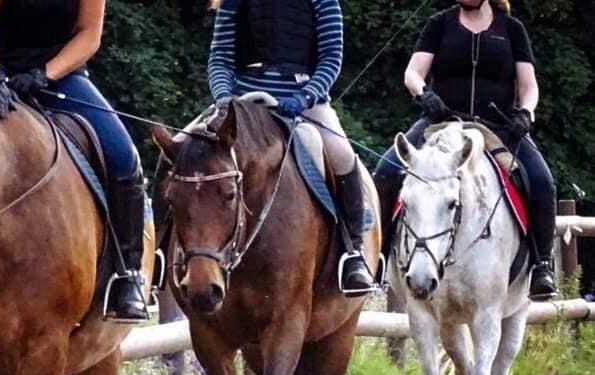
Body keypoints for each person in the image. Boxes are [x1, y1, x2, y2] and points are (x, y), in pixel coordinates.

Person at [0, 0, 149, 321]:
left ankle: (127, 274)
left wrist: (44, 75)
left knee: (122, 156)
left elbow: (89, 35)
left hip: (59, 75)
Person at [373, 0, 557, 300]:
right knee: (386, 170)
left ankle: (541, 265)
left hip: (497, 127)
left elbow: (529, 85)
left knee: (542, 181)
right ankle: (378, 259)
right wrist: (425, 95)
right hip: (441, 121)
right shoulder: (439, 24)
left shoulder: (512, 29)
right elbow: (412, 74)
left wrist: (526, 112)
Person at [207, 0, 378, 296]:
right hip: (240, 100)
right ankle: (161, 250)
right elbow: (220, 58)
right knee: (186, 144)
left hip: (302, 100)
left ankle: (353, 252)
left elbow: (331, 59)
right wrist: (224, 97)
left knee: (341, 155)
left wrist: (306, 96)